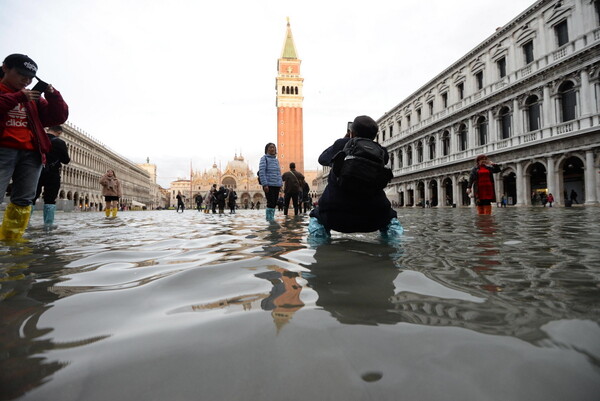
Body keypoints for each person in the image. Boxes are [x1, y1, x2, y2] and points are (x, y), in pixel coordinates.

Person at [0, 54, 69, 240]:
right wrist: (16, 98)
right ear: (5, 68)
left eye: (30, 77)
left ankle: (11, 240)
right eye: (21, 74)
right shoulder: (16, 93)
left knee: (23, 200)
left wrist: (53, 95)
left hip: (31, 152)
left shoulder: (32, 98)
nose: (26, 80)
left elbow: (57, 118)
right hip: (3, 149)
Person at [308, 115, 402, 239]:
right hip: (375, 218)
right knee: (391, 219)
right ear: (374, 136)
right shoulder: (381, 152)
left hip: (334, 216)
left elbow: (322, 159)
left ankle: (321, 247)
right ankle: (394, 246)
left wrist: (344, 140)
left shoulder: (342, 144)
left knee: (315, 217)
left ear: (352, 132)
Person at [33, 125, 70, 226]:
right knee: (50, 199)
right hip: (52, 172)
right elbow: (66, 160)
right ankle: (48, 225)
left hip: (36, 171)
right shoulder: (60, 142)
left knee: (32, 196)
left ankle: (25, 223)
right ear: (59, 132)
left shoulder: (37, 138)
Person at [258, 143, 282, 221]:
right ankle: (269, 219)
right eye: (270, 147)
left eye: (274, 147)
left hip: (276, 185)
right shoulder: (264, 158)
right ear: (267, 149)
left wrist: (280, 184)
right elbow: (262, 172)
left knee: (274, 203)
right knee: (270, 202)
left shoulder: (276, 160)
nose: (272, 149)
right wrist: (265, 184)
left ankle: (271, 218)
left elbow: (278, 173)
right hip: (269, 184)